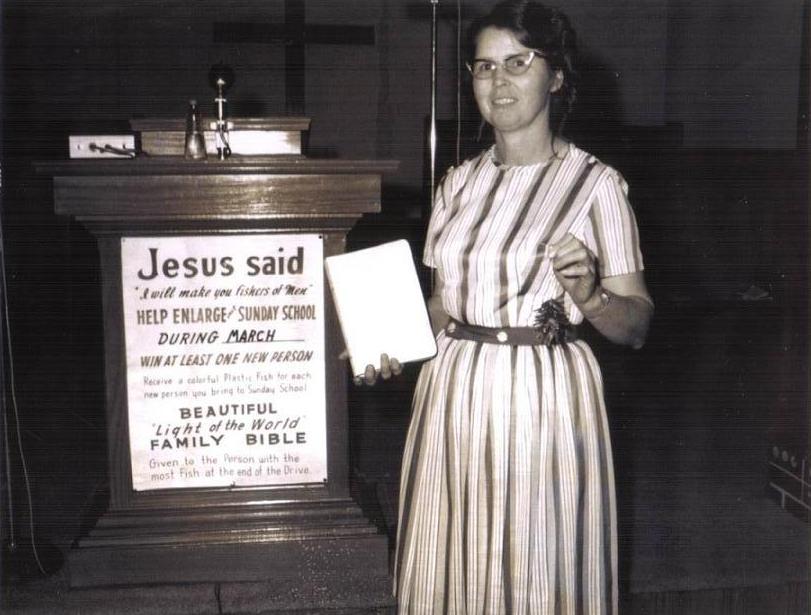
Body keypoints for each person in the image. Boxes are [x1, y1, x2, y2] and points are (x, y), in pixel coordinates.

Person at [361, 1, 653, 612]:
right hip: (451, 394)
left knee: (535, 568)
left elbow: (636, 326)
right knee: (449, 563)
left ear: (557, 76)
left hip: (543, 400)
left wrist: (591, 296)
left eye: (519, 62)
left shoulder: (596, 186)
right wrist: (387, 342)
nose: (498, 81)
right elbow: (442, 306)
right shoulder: (457, 184)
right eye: (484, 66)